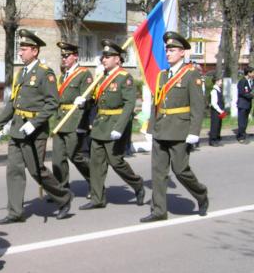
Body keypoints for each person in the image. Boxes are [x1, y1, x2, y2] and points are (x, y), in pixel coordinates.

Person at [0, 29, 73, 224]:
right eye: (20, 49)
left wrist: (34, 123)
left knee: (36, 170)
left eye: (24, 49)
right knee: (13, 170)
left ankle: (63, 197)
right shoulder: (22, 73)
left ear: (35, 51)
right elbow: (13, 102)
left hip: (35, 131)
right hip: (18, 129)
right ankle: (15, 212)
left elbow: (53, 103)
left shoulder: (45, 74)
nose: (20, 52)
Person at [141, 31, 208, 222]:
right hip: (161, 130)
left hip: (180, 130)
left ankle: (201, 193)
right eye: (167, 50)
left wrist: (194, 132)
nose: (168, 53)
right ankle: (159, 210)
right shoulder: (162, 75)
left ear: (182, 53)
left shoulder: (191, 74)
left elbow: (197, 105)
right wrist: (150, 129)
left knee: (180, 170)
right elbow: (158, 104)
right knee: (158, 173)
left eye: (172, 50)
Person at [79, 40, 145, 210]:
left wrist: (119, 128)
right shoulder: (102, 78)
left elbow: (129, 105)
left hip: (115, 125)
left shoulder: (125, 78)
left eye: (108, 56)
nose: (104, 59)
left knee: (116, 162)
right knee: (96, 163)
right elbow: (96, 101)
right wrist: (83, 102)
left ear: (117, 59)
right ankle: (97, 198)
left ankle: (137, 184)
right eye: (103, 56)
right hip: (100, 124)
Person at [51, 41, 92, 197]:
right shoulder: (63, 76)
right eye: (62, 56)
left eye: (67, 56)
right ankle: (62, 190)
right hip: (61, 120)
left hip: (75, 119)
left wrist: (83, 99)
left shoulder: (84, 73)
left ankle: (94, 181)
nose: (64, 59)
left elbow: (88, 95)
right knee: (57, 158)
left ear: (75, 56)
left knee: (75, 155)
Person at [236, 66, 253, 143]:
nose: (253, 74)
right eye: (252, 72)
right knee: (242, 121)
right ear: (248, 73)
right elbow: (242, 92)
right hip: (242, 104)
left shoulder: (250, 81)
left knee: (245, 121)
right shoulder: (242, 81)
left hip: (248, 104)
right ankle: (240, 137)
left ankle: (243, 134)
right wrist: (252, 95)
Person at [209, 77, 226, 146]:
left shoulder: (219, 90)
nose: (221, 82)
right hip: (216, 111)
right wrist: (220, 110)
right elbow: (214, 103)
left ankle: (217, 138)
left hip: (219, 111)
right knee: (215, 125)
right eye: (220, 81)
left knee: (219, 125)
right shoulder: (214, 91)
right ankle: (213, 140)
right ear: (216, 82)